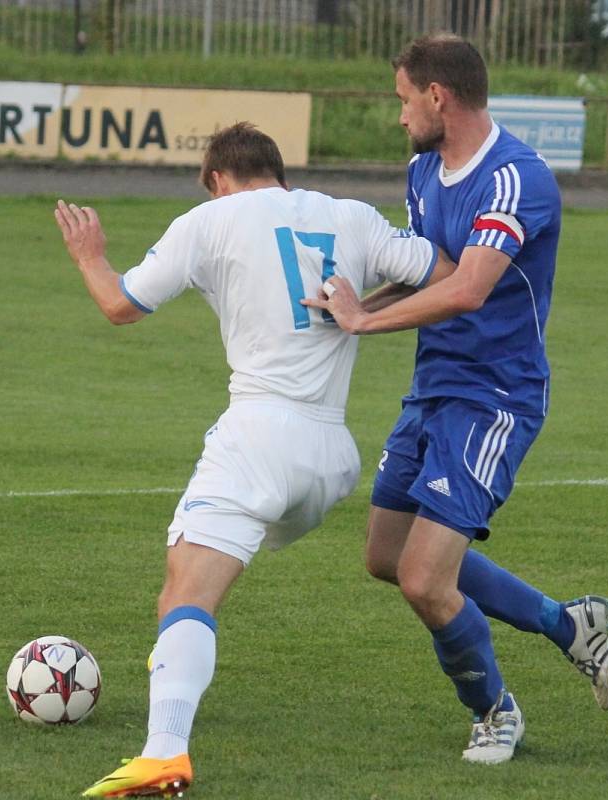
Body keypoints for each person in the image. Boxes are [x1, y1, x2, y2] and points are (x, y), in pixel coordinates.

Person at [54, 122, 454, 798]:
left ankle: (163, 753)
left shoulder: (210, 220)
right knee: (189, 585)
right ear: (279, 172)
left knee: (185, 592)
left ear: (216, 180)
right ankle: (170, 706)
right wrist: (357, 305)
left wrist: (90, 254)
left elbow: (120, 305)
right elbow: (443, 273)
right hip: (330, 459)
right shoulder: (349, 217)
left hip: (259, 440)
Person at [303, 34, 608, 765]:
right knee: (386, 556)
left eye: (402, 99)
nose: (398, 115)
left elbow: (471, 286)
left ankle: (494, 713)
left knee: (423, 579)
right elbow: (431, 272)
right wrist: (347, 304)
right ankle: (565, 622)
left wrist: (364, 323)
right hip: (433, 388)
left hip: (494, 398)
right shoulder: (421, 171)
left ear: (436, 96)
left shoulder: (516, 178)